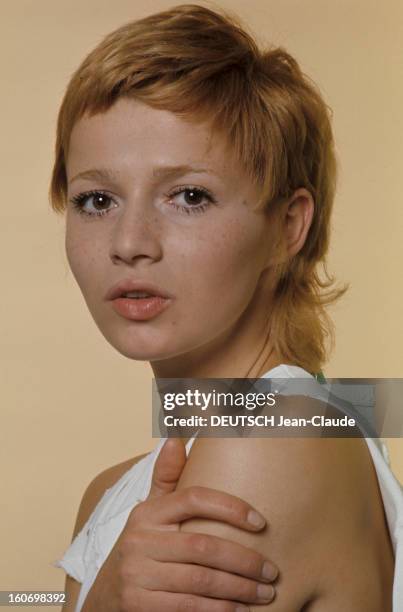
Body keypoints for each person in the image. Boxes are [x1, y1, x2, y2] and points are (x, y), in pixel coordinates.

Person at [50, 4, 402, 610]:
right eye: (95, 199)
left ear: (288, 227)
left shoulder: (269, 439)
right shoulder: (110, 495)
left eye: (189, 195)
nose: (130, 242)